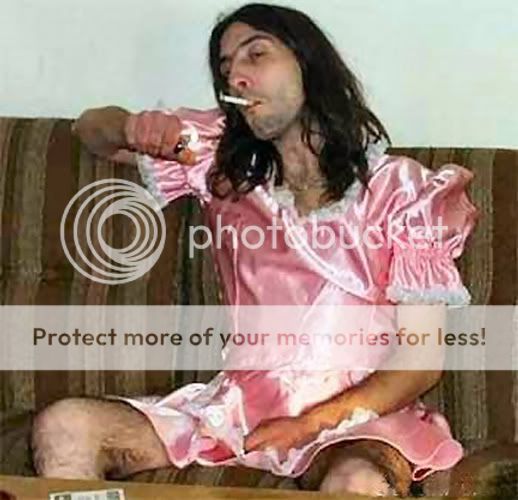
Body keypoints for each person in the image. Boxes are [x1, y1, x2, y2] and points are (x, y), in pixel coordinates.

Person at [31, 3, 478, 496]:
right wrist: (130, 126)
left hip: (356, 423)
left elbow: (420, 361)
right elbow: (89, 129)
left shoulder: (404, 191)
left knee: (359, 481)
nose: (237, 77)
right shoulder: (219, 162)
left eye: (256, 54)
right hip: (236, 413)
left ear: (308, 63)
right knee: (65, 426)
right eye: (226, 69)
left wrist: (308, 425)